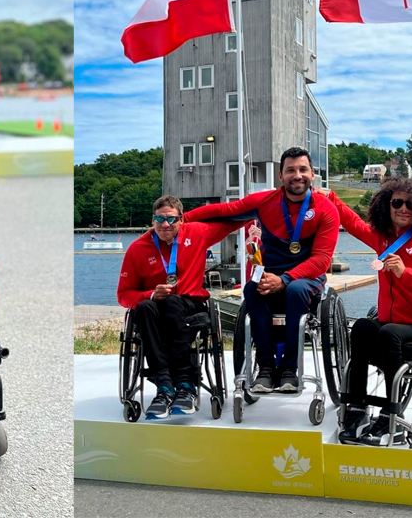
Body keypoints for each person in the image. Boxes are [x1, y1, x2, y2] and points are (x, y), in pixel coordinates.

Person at [184, 147, 340, 393]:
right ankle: (265, 367)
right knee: (251, 289)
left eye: (302, 169)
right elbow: (223, 211)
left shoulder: (326, 209)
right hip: (268, 272)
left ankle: (289, 369)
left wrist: (285, 278)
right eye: (290, 170)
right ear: (281, 176)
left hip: (306, 275)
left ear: (312, 174)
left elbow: (321, 260)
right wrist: (181, 220)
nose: (297, 175)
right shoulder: (265, 201)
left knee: (296, 290)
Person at [321, 178, 412, 445]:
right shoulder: (384, 239)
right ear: (388, 206)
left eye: (411, 203)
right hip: (391, 327)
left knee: (389, 332)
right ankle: (358, 407)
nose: (404, 208)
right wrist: (331, 198)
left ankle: (391, 415)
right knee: (362, 326)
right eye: (397, 203)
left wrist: (405, 274)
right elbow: (354, 224)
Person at [118, 195, 243, 419]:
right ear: (152, 219)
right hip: (154, 307)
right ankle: (164, 386)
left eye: (171, 220)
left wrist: (265, 208)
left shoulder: (196, 232)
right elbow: (123, 295)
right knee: (145, 308)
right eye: (160, 219)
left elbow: (233, 217)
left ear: (181, 220)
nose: (165, 224)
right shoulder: (137, 249)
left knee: (173, 302)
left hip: (189, 303)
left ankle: (185, 383)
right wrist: (150, 294)